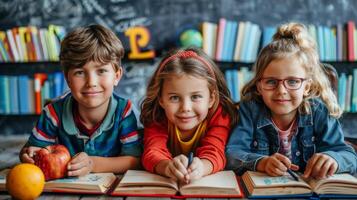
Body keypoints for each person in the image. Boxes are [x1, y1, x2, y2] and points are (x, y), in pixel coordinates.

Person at [226, 22, 357, 179]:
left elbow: (349, 155)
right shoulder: (250, 109)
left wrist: (334, 159)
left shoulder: (319, 111)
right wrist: (261, 163)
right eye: (271, 82)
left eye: (293, 81)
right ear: (259, 85)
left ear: (307, 86)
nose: (281, 91)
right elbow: (232, 153)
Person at [19, 24, 142, 176]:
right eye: (79, 72)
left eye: (101, 71)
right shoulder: (53, 113)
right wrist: (28, 155)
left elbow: (135, 160)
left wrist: (93, 163)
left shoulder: (124, 112)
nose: (91, 82)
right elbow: (29, 150)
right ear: (67, 78)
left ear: (116, 76)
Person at [140, 47, 238, 183]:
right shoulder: (157, 115)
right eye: (174, 98)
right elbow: (152, 151)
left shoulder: (219, 114)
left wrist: (202, 167)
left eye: (196, 96)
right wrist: (167, 167)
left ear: (211, 98)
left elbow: (215, 151)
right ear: (161, 99)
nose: (185, 108)